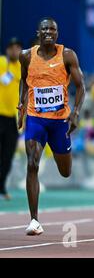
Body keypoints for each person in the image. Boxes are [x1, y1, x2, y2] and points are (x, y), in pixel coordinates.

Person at [18, 17, 86, 235]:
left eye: (53, 29)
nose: (49, 32)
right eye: (45, 28)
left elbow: (81, 86)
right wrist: (22, 104)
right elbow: (23, 80)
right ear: (38, 32)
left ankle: (63, 153)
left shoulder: (67, 55)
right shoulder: (26, 56)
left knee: (65, 172)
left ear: (57, 33)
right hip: (36, 118)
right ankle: (34, 220)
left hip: (59, 122)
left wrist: (75, 113)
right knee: (32, 163)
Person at [0, 38, 23, 200]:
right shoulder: (1, 62)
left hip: (12, 119)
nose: (14, 51)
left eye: (17, 48)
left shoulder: (21, 67)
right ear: (7, 50)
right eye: (12, 48)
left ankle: (1, 187)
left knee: (8, 155)